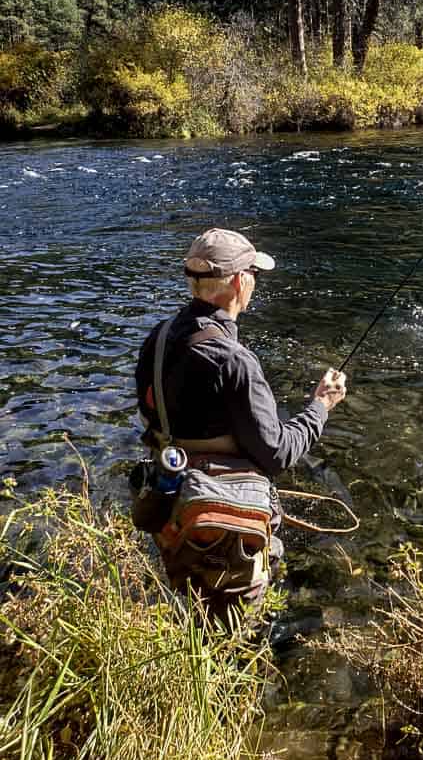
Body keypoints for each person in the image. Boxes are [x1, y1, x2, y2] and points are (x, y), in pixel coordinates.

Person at [134, 227, 347, 617]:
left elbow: (149, 414)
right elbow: (277, 454)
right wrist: (320, 407)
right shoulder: (234, 360)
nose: (254, 283)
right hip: (222, 524)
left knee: (188, 601)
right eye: (254, 274)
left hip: (171, 506)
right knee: (234, 629)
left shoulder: (158, 337)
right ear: (238, 281)